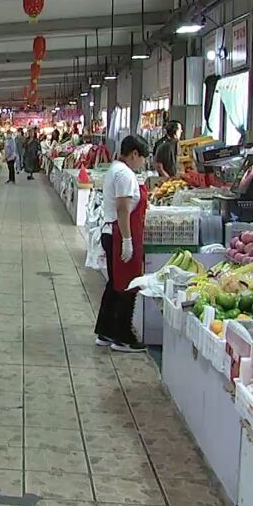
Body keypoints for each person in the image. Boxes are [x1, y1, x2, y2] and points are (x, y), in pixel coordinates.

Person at [94, 134, 151, 352]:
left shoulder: (115, 170)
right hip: (120, 233)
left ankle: (106, 331)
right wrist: (127, 240)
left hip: (113, 231)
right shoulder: (125, 174)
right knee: (127, 285)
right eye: (142, 158)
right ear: (134, 154)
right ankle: (123, 336)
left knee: (114, 285)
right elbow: (123, 209)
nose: (143, 163)